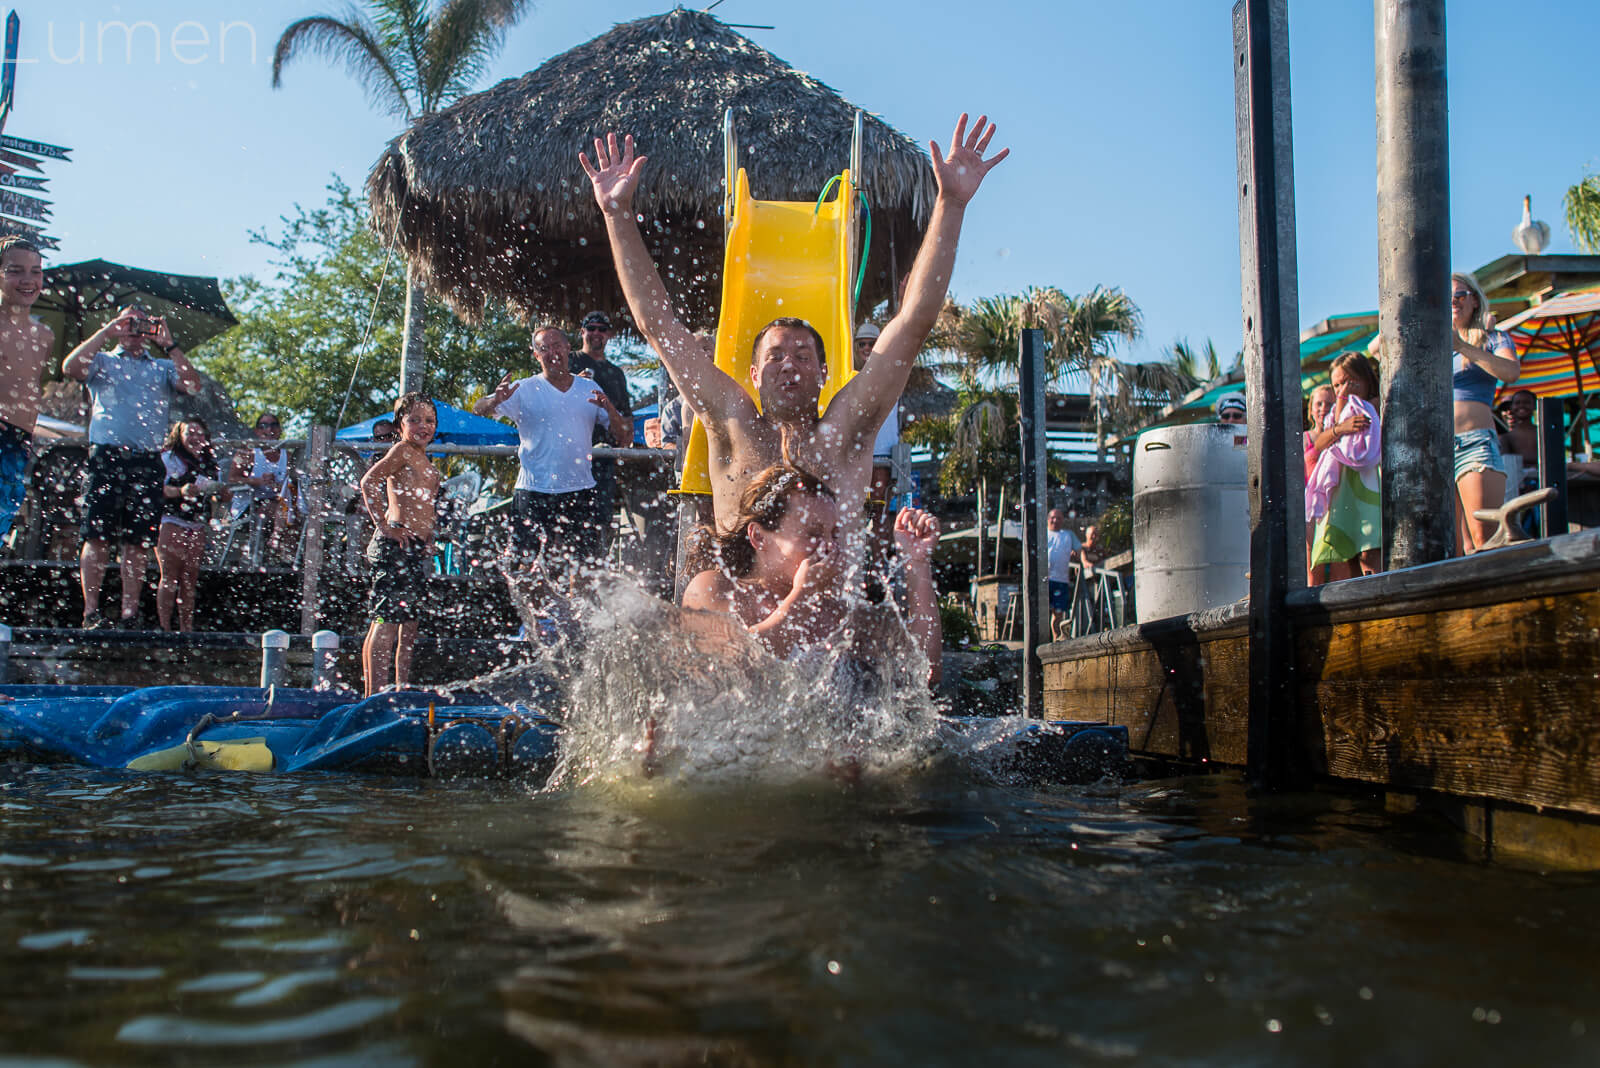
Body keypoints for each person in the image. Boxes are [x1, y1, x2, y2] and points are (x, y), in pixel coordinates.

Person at [581, 114, 1007, 562]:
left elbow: (914, 321)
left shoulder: (846, 430)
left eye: (804, 356)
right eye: (776, 356)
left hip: (826, 617)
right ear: (752, 373)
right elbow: (659, 326)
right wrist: (617, 215)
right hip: (741, 611)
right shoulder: (731, 421)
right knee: (703, 589)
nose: (789, 364)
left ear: (825, 373)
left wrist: (951, 205)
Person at [682, 463, 942, 685]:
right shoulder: (712, 588)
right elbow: (732, 670)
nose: (829, 546)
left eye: (834, 534)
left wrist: (917, 564)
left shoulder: (835, 612)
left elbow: (922, 674)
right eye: (813, 534)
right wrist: (802, 595)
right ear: (758, 536)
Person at [62, 305, 202, 628]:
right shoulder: (103, 360)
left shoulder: (162, 367)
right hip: (107, 457)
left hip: (146, 459)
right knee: (96, 535)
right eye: (129, 322)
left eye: (142, 324)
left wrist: (169, 343)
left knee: (138, 541)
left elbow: (193, 386)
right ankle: (91, 612)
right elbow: (70, 368)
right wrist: (107, 332)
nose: (135, 329)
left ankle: (129, 613)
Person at [473, 326, 630, 583]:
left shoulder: (588, 387)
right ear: (536, 356)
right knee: (525, 571)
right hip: (533, 492)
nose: (552, 352)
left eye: (557, 345)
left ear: (569, 348)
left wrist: (609, 407)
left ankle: (579, 622)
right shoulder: (522, 389)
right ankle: (534, 623)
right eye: (544, 348)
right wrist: (493, 401)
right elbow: (478, 409)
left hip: (580, 491)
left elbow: (623, 434)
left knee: (584, 572)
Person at [359, 393, 442, 696]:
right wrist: (383, 525)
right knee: (386, 621)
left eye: (429, 420)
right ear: (400, 425)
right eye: (415, 420)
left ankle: (399, 690)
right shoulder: (402, 451)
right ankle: (373, 697)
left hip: (414, 548)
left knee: (409, 627)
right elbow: (368, 482)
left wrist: (429, 539)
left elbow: (425, 505)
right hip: (395, 544)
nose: (423, 426)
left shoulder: (424, 458)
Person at [1447, 271, 1521, 553]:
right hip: (1438, 448)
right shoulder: (1433, 343)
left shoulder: (1493, 338)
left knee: (1484, 539)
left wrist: (1463, 346)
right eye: (1447, 297)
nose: (1453, 301)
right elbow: (1376, 347)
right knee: (1450, 546)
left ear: (1475, 301)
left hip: (1474, 443)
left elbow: (1511, 372)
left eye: (1460, 295)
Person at [1306, 353, 1382, 583]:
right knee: (1349, 551)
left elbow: (1367, 423)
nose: (1344, 389)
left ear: (1366, 379)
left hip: (1369, 483)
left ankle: (1378, 586)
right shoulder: (1336, 416)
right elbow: (1319, 444)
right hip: (1344, 486)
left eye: (1350, 382)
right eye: (1337, 384)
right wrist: (1340, 426)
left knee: (1371, 546)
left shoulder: (1376, 403)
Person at [0, 236, 54, 548]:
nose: (28, 280)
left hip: (20, 440)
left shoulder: (43, 335)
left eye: (36, 271)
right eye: (16, 271)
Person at [569, 311, 634, 555]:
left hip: (603, 462)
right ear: (582, 331)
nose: (596, 333)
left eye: (602, 329)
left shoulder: (616, 374)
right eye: (591, 328)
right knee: (564, 526)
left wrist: (623, 443)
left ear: (609, 335)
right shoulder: (569, 361)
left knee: (599, 530)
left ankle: (595, 582)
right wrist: (574, 382)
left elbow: (627, 424)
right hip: (569, 456)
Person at [156, 419, 228, 632]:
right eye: (190, 433)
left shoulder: (209, 462)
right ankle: (164, 627)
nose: (196, 438)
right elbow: (158, 489)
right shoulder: (169, 458)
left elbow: (213, 495)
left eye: (200, 434)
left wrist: (222, 495)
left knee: (190, 578)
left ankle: (187, 628)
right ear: (179, 435)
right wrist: (180, 491)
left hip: (196, 525)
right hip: (171, 520)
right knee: (169, 576)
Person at [228, 413, 297, 564]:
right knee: (279, 508)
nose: (269, 429)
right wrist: (256, 481)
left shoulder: (289, 456)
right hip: (248, 506)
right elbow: (231, 480)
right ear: (257, 431)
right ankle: (278, 542)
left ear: (279, 429)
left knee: (295, 511)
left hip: (280, 505)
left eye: (273, 425)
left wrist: (281, 486)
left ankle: (290, 561)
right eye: (264, 426)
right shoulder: (248, 452)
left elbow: (293, 486)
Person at [1303, 383, 1337, 578]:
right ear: (1311, 409)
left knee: (1339, 567)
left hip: (1337, 504)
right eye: (1319, 404)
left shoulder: (1344, 435)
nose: (1323, 408)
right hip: (1312, 509)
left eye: (1329, 404)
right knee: (1313, 568)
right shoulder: (1305, 438)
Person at [1046, 507, 1082, 639]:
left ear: (1062, 521)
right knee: (1042, 612)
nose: (1055, 520)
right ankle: (1042, 640)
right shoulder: (1042, 534)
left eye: (1059, 518)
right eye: (1053, 517)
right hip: (1044, 579)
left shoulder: (1068, 534)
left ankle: (1056, 639)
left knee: (1058, 614)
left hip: (1061, 580)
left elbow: (1079, 549)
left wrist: (1077, 558)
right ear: (1048, 519)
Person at [1497, 388, 1540, 493]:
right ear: (1512, 407)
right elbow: (1506, 465)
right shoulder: (1506, 438)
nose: (1522, 406)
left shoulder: (1542, 433)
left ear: (1534, 406)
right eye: (1518, 403)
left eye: (1526, 403)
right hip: (1517, 487)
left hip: (1542, 482)